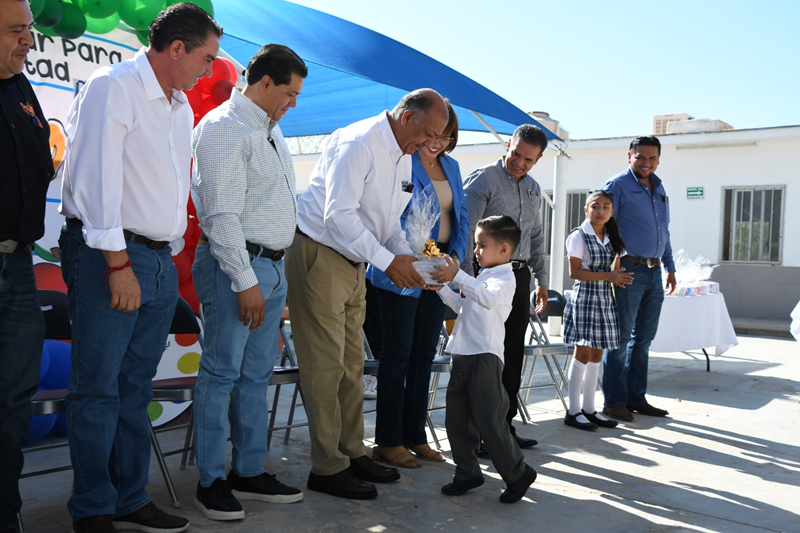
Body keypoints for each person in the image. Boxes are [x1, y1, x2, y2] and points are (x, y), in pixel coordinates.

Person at [58, 5, 222, 532]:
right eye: (205, 57)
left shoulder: (177, 105)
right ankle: (94, 509)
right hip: (112, 256)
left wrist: (163, 254)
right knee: (99, 388)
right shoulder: (115, 86)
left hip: (153, 260)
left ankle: (129, 499)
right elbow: (94, 181)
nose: (208, 68)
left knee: (134, 389)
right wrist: (118, 263)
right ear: (176, 48)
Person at [285, 89, 449, 500]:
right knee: (325, 367)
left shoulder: (403, 153)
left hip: (356, 261)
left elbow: (389, 223)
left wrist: (410, 260)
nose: (430, 145)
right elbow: (336, 216)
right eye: (428, 133)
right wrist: (388, 262)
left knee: (352, 365)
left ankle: (352, 452)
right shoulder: (358, 142)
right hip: (321, 254)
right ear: (407, 116)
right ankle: (327, 468)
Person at [190, 44, 307, 521]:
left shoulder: (269, 131)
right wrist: (244, 279)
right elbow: (219, 215)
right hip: (237, 268)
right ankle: (210, 482)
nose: (293, 103)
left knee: (256, 375)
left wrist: (271, 275)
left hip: (270, 269)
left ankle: (248, 470)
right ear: (263, 83)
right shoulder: (223, 128)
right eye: (289, 92)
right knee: (221, 373)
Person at [366, 100, 469, 469]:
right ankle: (388, 441)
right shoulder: (403, 159)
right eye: (434, 134)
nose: (437, 142)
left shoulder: (453, 168)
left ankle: (415, 436)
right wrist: (428, 255)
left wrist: (453, 261)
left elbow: (463, 217)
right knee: (398, 356)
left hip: (440, 274)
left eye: (446, 137)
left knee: (424, 355)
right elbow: (397, 218)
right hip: (402, 268)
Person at [431, 215, 537, 504]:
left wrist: (457, 276)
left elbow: (488, 300)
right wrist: (440, 287)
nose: (475, 251)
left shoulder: (505, 278)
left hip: (485, 357)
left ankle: (519, 473)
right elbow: (464, 305)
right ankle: (467, 473)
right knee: (457, 420)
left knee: (490, 422)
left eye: (481, 245)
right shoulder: (482, 277)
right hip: (463, 354)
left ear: (504, 249)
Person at [462, 124, 549, 450]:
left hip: (519, 278)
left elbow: (536, 238)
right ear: (509, 145)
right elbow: (467, 231)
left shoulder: (534, 189)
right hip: (486, 278)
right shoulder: (483, 179)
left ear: (537, 160)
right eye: (516, 154)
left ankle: (502, 431)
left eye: (528, 159)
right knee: (486, 357)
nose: (520, 163)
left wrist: (543, 281)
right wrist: (467, 281)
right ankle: (477, 433)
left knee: (512, 356)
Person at [0, 1, 52, 531]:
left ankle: (5, 512)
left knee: (13, 397)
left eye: (30, 31)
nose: (29, 43)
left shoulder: (20, 86)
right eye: (17, 31)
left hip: (16, 265)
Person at [601, 136, 676, 421]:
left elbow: (664, 230)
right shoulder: (617, 185)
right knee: (620, 339)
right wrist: (613, 266)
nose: (646, 163)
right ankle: (614, 401)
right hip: (628, 270)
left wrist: (670, 267)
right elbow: (604, 228)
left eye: (652, 158)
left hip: (655, 271)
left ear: (658, 160)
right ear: (629, 156)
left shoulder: (659, 187)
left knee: (643, 339)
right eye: (641, 157)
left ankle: (636, 398)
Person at [562, 190, 633, 431]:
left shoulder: (614, 236)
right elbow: (575, 272)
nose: (600, 211)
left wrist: (620, 278)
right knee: (582, 352)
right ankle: (573, 411)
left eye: (605, 207)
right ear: (586, 209)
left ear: (612, 211)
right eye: (595, 206)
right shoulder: (579, 236)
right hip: (585, 297)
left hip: (605, 298)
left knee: (597, 354)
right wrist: (610, 276)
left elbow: (616, 270)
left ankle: (590, 410)